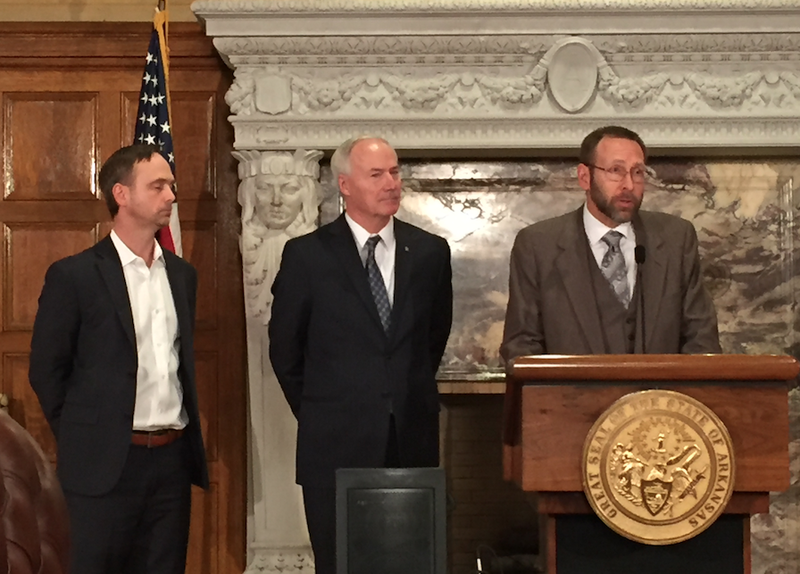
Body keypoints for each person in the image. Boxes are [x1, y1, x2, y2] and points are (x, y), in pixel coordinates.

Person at [268, 136, 453, 574]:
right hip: (333, 445)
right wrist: (323, 409)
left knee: (411, 561)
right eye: (377, 175)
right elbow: (285, 352)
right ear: (345, 185)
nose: (391, 183)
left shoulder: (430, 253)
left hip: (410, 440)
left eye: (395, 172)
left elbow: (432, 340)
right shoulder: (306, 256)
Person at [29, 144, 208, 574]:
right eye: (158, 186)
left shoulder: (182, 276)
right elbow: (46, 371)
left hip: (170, 463)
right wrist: (87, 433)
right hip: (102, 466)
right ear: (122, 194)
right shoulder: (74, 276)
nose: (171, 196)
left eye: (172, 186)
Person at [500, 125, 721, 363]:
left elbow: (701, 340)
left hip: (659, 399)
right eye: (616, 170)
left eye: (637, 172)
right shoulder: (538, 246)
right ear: (585, 177)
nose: (628, 184)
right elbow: (521, 348)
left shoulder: (676, 239)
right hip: (573, 398)